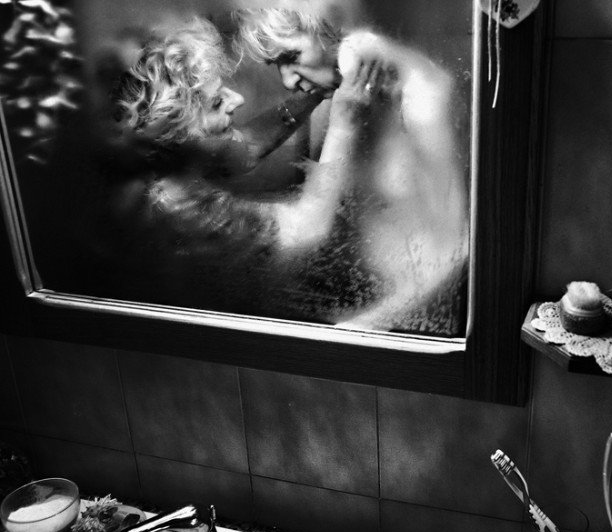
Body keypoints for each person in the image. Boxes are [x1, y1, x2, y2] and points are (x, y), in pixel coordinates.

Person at [106, 16, 390, 316]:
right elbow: (307, 231)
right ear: (181, 137)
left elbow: (246, 148)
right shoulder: (186, 214)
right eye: (217, 103)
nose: (237, 99)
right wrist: (346, 119)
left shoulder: (174, 162)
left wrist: (315, 92)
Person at [235, 6, 469, 333]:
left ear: (329, 31)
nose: (288, 81)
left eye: (292, 56)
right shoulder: (338, 103)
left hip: (413, 316)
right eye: (278, 65)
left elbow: (455, 248)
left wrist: (361, 328)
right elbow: (318, 217)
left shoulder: (421, 98)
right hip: (357, 296)